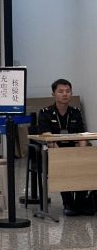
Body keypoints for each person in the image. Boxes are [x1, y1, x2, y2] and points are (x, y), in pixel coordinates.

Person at [38, 78, 93, 216]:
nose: (65, 94)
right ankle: (68, 203)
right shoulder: (45, 112)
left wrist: (81, 154)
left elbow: (82, 136)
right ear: (53, 94)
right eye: (61, 91)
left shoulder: (75, 112)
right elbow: (47, 137)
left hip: (74, 150)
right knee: (63, 163)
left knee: (85, 161)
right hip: (54, 151)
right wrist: (64, 156)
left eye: (68, 91)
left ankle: (80, 202)